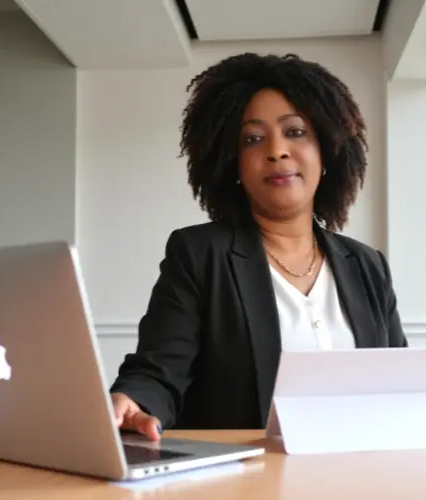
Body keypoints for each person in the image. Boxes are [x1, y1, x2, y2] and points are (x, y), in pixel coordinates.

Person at [109, 52, 407, 441]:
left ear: (327, 152)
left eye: (295, 132)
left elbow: (399, 385)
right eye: (253, 139)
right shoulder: (199, 255)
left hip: (359, 467)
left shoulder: (368, 265)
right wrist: (136, 401)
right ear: (234, 164)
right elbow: (159, 371)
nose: (276, 150)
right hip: (248, 473)